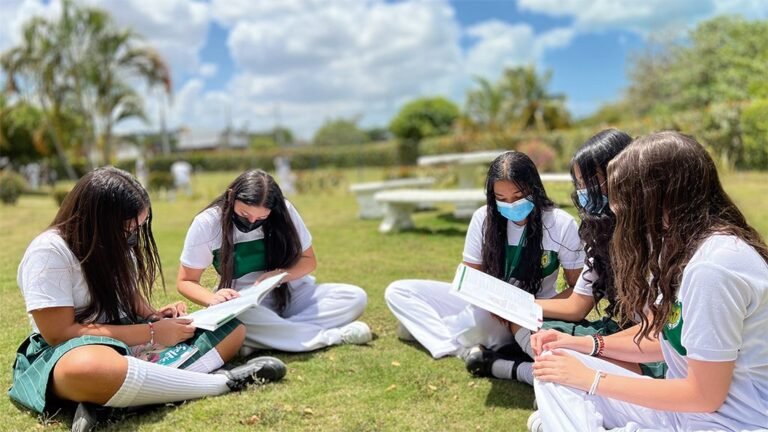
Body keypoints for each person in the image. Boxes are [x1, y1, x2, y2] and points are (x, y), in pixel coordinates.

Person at [8, 167, 286, 432]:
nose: (134, 236)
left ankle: (114, 401)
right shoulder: (49, 252)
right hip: (73, 351)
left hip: (130, 341)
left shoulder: (115, 243)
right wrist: (152, 333)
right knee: (88, 368)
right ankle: (221, 383)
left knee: (233, 330)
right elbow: (59, 334)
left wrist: (154, 315)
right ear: (98, 221)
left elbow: (128, 294)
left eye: (139, 227)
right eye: (128, 229)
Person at [529, 131, 768, 431]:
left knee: (568, 386)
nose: (616, 210)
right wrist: (581, 344)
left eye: (624, 199)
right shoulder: (681, 249)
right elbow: (662, 341)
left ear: (659, 198)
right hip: (679, 415)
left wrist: (591, 379)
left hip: (725, 423)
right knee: (554, 363)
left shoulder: (714, 267)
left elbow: (704, 396)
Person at [385, 151, 584, 384]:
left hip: (530, 314)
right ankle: (462, 348)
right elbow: (470, 278)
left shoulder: (560, 223)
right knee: (398, 291)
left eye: (519, 196)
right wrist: (491, 303)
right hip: (488, 306)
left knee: (477, 323)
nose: (511, 205)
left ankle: (443, 334)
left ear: (535, 188)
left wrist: (529, 309)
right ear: (492, 196)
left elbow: (577, 289)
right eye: (502, 198)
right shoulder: (483, 218)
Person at [485, 129, 665, 385]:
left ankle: (516, 370)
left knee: (562, 355)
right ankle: (542, 373)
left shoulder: (657, 240)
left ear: (624, 176)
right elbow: (577, 305)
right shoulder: (603, 235)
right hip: (623, 341)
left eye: (590, 183)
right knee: (531, 327)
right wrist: (519, 306)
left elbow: (657, 335)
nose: (583, 192)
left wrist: (586, 344)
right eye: (579, 184)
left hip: (654, 354)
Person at [176, 169, 370, 354]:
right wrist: (212, 299)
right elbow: (186, 281)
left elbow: (308, 261)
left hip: (289, 292)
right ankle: (331, 337)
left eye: (261, 218)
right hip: (244, 303)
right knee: (235, 318)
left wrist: (279, 275)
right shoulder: (207, 223)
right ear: (231, 196)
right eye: (244, 215)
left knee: (354, 297)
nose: (252, 222)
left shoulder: (284, 213)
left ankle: (266, 337)